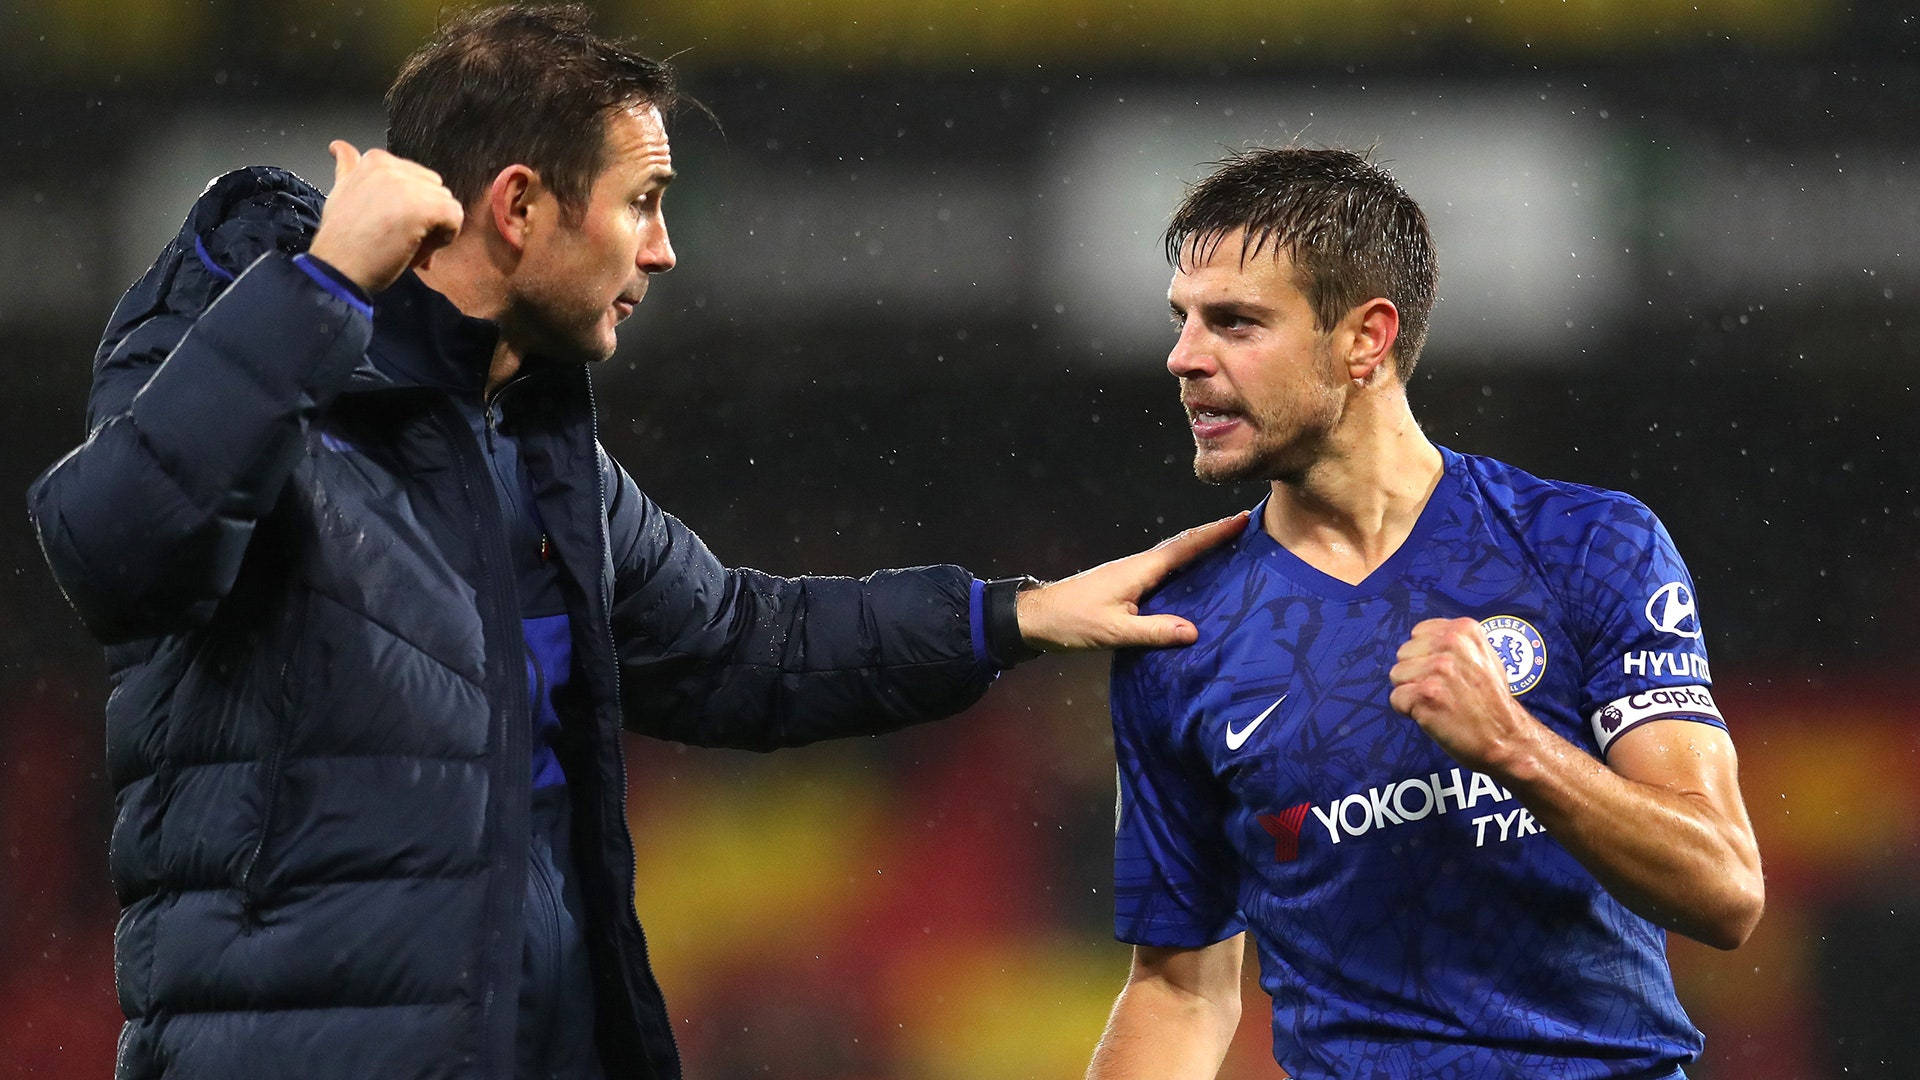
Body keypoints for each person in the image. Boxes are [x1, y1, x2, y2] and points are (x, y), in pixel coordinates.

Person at [24, 6, 1245, 1079]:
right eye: (643, 203)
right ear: (518, 209)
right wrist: (327, 286)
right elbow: (113, 552)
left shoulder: (536, 452)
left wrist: (1013, 615)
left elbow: (740, 648)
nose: (663, 248)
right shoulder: (245, 342)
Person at [1086, 147, 1764, 1080]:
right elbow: (1178, 991)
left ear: (1365, 338)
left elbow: (1724, 889)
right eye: (1183, 321)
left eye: (1235, 323)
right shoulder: (1177, 632)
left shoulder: (1583, 545)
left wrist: (1513, 745)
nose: (1184, 358)